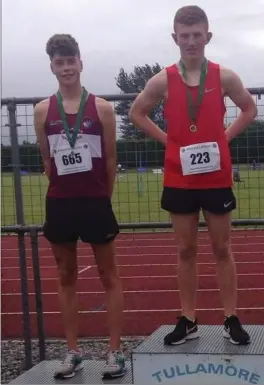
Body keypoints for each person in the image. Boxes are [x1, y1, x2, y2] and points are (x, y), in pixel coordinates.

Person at [129, 6, 257, 346]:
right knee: (185, 249)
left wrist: (225, 138)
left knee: (221, 246)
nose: (191, 42)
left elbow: (249, 108)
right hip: (179, 177)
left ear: (207, 37)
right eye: (184, 36)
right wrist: (167, 140)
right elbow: (136, 112)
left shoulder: (224, 76)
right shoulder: (162, 79)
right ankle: (188, 318)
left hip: (216, 177)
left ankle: (231, 317)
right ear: (175, 38)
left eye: (196, 35)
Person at [34, 34, 125, 379]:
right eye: (60, 62)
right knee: (66, 276)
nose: (66, 67)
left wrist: (103, 197)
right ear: (53, 68)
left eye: (71, 60)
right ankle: (73, 352)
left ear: (80, 63)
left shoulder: (101, 108)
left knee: (108, 275)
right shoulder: (43, 110)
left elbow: (111, 158)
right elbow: (47, 159)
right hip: (60, 202)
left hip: (95, 202)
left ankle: (114, 351)